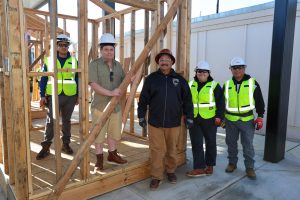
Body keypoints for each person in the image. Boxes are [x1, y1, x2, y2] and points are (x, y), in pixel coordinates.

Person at [137, 49, 194, 190]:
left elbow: (188, 100)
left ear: (172, 62)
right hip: (155, 122)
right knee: (157, 150)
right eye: (161, 59)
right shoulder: (151, 79)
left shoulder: (180, 80)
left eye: (167, 59)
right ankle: (156, 176)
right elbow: (143, 99)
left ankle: (170, 171)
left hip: (174, 122)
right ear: (158, 62)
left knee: (171, 150)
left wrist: (190, 117)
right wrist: (140, 115)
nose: (164, 62)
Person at [88, 33, 127, 171]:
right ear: (101, 50)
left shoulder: (118, 66)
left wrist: (131, 79)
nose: (109, 52)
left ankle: (112, 154)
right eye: (106, 49)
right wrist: (111, 93)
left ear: (114, 50)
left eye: (111, 49)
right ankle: (99, 159)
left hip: (115, 107)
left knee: (113, 133)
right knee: (98, 134)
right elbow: (93, 84)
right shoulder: (94, 65)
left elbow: (124, 81)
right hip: (100, 107)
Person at [36, 34, 79, 160]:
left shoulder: (74, 61)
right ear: (57, 46)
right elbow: (43, 79)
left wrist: (78, 96)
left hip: (70, 96)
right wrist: (42, 95)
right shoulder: (49, 60)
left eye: (66, 45)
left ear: (68, 46)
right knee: (51, 121)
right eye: (61, 45)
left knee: (67, 121)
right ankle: (46, 147)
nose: (63, 47)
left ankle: (65, 144)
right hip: (53, 95)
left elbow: (77, 79)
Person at [224, 57, 265, 180]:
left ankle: (250, 167)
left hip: (247, 120)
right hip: (230, 120)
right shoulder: (227, 84)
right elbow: (222, 103)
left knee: (247, 145)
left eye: (240, 68)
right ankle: (232, 163)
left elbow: (259, 101)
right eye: (234, 68)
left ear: (244, 68)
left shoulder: (252, 83)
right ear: (230, 69)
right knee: (231, 143)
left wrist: (260, 116)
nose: (237, 70)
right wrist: (221, 119)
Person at [186, 61, 224, 177]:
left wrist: (219, 117)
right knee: (196, 143)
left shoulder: (214, 85)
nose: (201, 73)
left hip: (210, 119)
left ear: (208, 73)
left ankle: (210, 165)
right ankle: (199, 168)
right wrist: (186, 115)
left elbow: (221, 102)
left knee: (210, 142)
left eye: (204, 72)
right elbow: (186, 101)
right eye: (199, 71)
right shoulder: (190, 84)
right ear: (196, 72)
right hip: (194, 118)